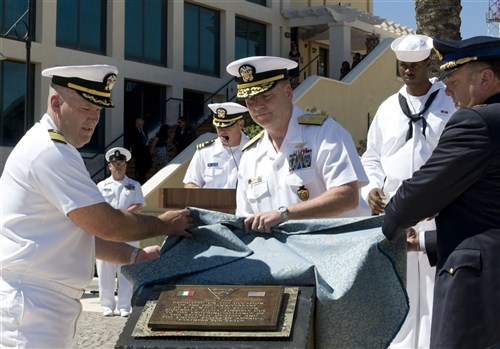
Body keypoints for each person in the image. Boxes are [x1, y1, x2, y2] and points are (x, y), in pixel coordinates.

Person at [0, 65, 192, 348]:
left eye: (99, 111)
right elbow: (107, 224)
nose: (93, 119)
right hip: (32, 304)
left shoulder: (55, 148)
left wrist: (133, 255)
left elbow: (76, 236)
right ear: (56, 103)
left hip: (43, 301)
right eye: (85, 107)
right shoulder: (50, 152)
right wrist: (165, 223)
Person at [382, 36, 500, 348]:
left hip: (480, 293)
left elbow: (418, 197)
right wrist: (423, 241)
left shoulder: (477, 122)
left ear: (485, 78)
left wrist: (383, 229)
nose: (446, 90)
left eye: (453, 79)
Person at [361, 34, 456, 349]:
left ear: (429, 63)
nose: (408, 71)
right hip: (396, 214)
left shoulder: (450, 101)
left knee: (436, 289)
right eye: (403, 65)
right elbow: (371, 157)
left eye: (415, 65)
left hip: (439, 215)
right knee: (400, 289)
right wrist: (372, 188)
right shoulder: (388, 108)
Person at [226, 56, 368, 232]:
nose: (257, 106)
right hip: (279, 255)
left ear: (287, 92)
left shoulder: (324, 132)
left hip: (334, 250)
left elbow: (348, 196)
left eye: (265, 96)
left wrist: (285, 214)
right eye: (250, 101)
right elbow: (245, 219)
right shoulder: (250, 154)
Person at [96, 147, 145, 318]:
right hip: (106, 232)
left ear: (126, 165)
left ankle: (125, 305)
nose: (119, 167)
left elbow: (138, 205)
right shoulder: (101, 186)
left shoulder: (134, 185)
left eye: (122, 164)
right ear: (109, 166)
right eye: (116, 164)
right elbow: (97, 207)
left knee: (127, 268)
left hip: (128, 231)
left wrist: (121, 216)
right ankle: (107, 305)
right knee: (105, 270)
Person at [183, 102, 250, 188]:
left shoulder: (255, 149)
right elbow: (191, 183)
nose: (222, 131)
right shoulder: (204, 152)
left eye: (227, 126)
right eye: (218, 126)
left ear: (241, 124)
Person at [128, 117, 152, 184]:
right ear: (136, 123)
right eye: (138, 123)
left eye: (141, 124)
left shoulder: (144, 129)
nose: (140, 125)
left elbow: (145, 137)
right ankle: (141, 178)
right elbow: (131, 141)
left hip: (145, 149)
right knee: (139, 166)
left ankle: (141, 176)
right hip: (138, 151)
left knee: (149, 163)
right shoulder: (133, 130)